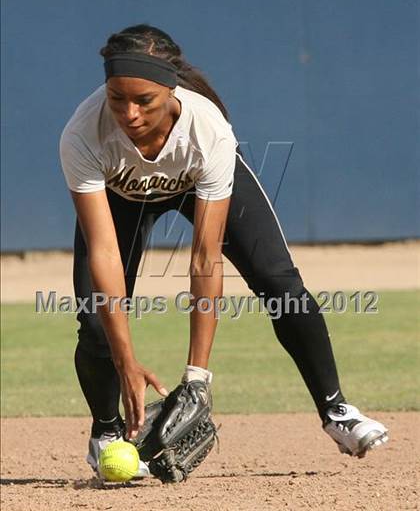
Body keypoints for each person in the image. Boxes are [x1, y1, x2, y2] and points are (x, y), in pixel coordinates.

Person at [59, 24, 388, 476]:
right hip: (122, 198)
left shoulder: (207, 128)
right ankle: (108, 434)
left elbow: (204, 258)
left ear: (170, 89)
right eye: (117, 98)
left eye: (144, 101)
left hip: (195, 186)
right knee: (97, 317)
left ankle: (337, 412)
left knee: (279, 282)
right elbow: (104, 252)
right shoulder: (83, 133)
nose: (129, 113)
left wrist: (197, 378)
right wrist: (127, 360)